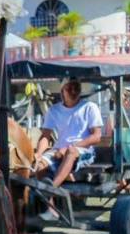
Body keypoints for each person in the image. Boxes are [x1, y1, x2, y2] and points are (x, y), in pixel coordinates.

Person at [33, 78, 102, 220]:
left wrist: (67, 149)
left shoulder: (89, 107)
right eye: (69, 87)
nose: (73, 90)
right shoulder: (54, 110)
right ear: (62, 90)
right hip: (58, 150)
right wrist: (38, 154)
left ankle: (50, 190)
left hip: (84, 151)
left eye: (76, 87)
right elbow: (45, 136)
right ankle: (51, 210)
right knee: (38, 166)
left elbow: (96, 137)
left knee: (70, 152)